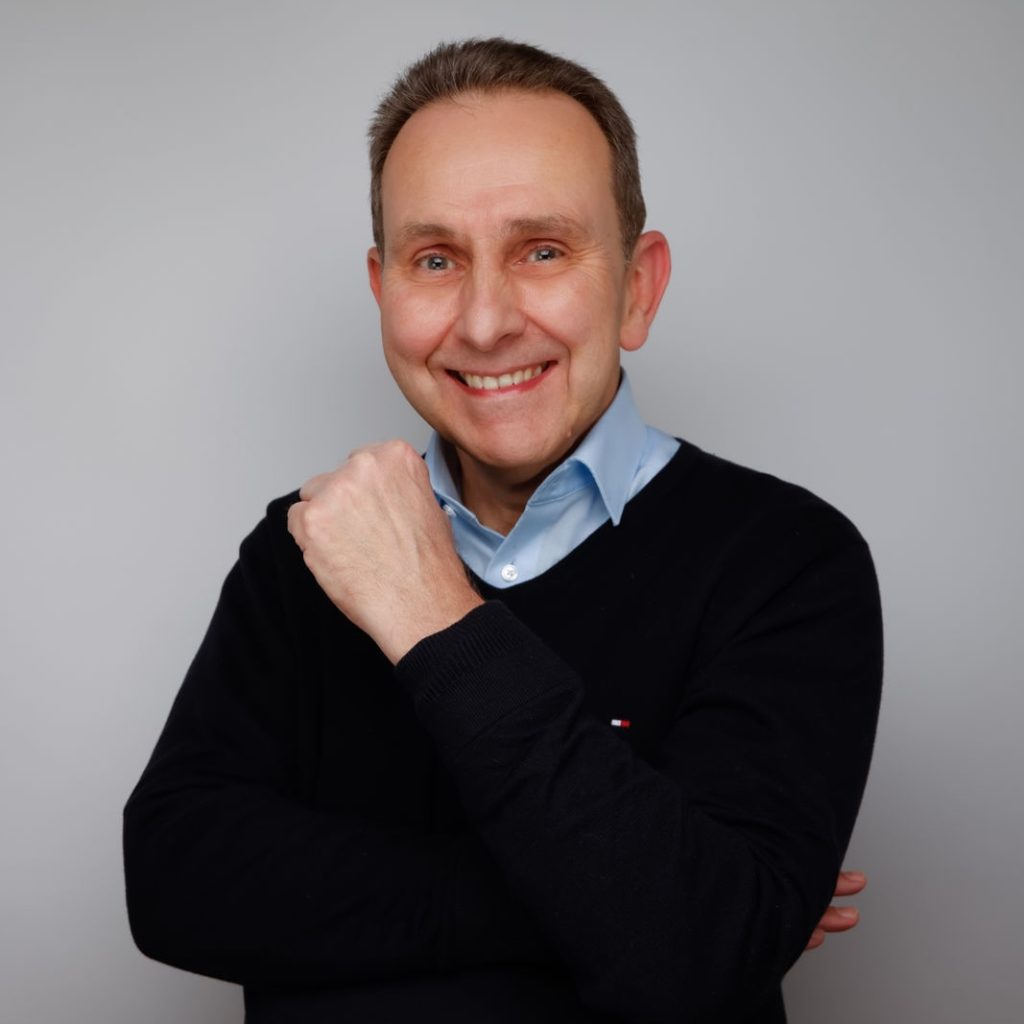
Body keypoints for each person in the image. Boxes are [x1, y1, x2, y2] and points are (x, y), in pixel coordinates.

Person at [124, 38, 882, 1024]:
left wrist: (429, 613)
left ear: (638, 287)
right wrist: (616, 888)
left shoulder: (786, 560)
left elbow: (692, 958)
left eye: (543, 250)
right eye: (435, 259)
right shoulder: (303, 548)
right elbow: (174, 881)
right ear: (383, 288)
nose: (484, 323)